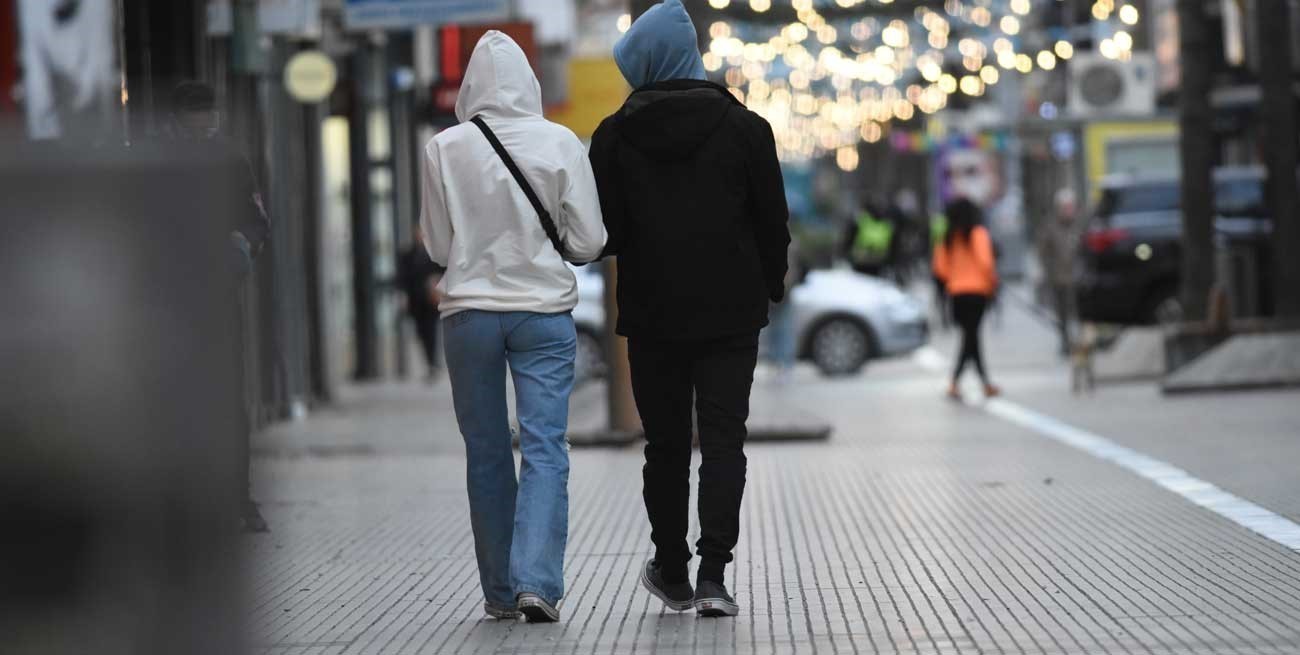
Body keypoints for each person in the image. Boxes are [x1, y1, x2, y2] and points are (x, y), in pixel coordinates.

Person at [589, 0, 790, 618]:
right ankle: (713, 576)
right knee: (724, 442)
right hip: (732, 312)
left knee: (666, 446)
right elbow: (772, 222)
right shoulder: (747, 129)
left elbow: (606, 234)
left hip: (653, 313)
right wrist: (770, 286)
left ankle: (671, 570)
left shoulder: (614, 136)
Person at [419, 30, 606, 623]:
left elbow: (438, 247)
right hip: (543, 313)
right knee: (546, 444)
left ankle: (500, 593)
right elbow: (590, 241)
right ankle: (538, 584)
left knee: (486, 450)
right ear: (529, 82)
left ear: (470, 86)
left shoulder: (443, 148)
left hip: (469, 314)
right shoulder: (561, 141)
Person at [168, 81, 272, 533]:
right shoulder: (158, 162)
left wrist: (242, 243)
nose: (204, 124)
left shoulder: (230, 159)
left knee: (229, 400)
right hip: (167, 303)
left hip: (217, 298)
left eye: (209, 116)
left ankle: (238, 498)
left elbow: (257, 221)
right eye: (196, 116)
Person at [932, 198, 1000, 400]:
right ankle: (960, 381)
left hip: (957, 293)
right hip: (977, 293)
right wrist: (992, 283)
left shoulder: (948, 237)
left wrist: (955, 278)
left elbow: (940, 268)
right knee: (971, 338)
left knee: (970, 337)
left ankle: (981, 383)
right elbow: (986, 263)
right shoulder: (978, 234)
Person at [398, 220, 445, 382]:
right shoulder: (407, 255)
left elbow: (442, 272)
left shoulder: (434, 254)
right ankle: (430, 363)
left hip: (430, 302)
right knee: (421, 334)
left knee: (431, 332)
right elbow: (403, 278)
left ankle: (433, 364)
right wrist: (403, 296)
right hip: (416, 302)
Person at [1037, 188, 1081, 356]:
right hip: (1058, 278)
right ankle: (1065, 341)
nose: (1069, 211)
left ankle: (1080, 343)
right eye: (1065, 207)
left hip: (1078, 278)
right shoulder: (1050, 226)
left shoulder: (1080, 225)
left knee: (1078, 312)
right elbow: (1043, 252)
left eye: (1071, 207)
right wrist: (1048, 271)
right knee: (1062, 313)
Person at [842, 197, 895, 278]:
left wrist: (846, 253)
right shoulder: (887, 224)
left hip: (864, 260)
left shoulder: (862, 220)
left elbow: (849, 237)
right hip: (875, 261)